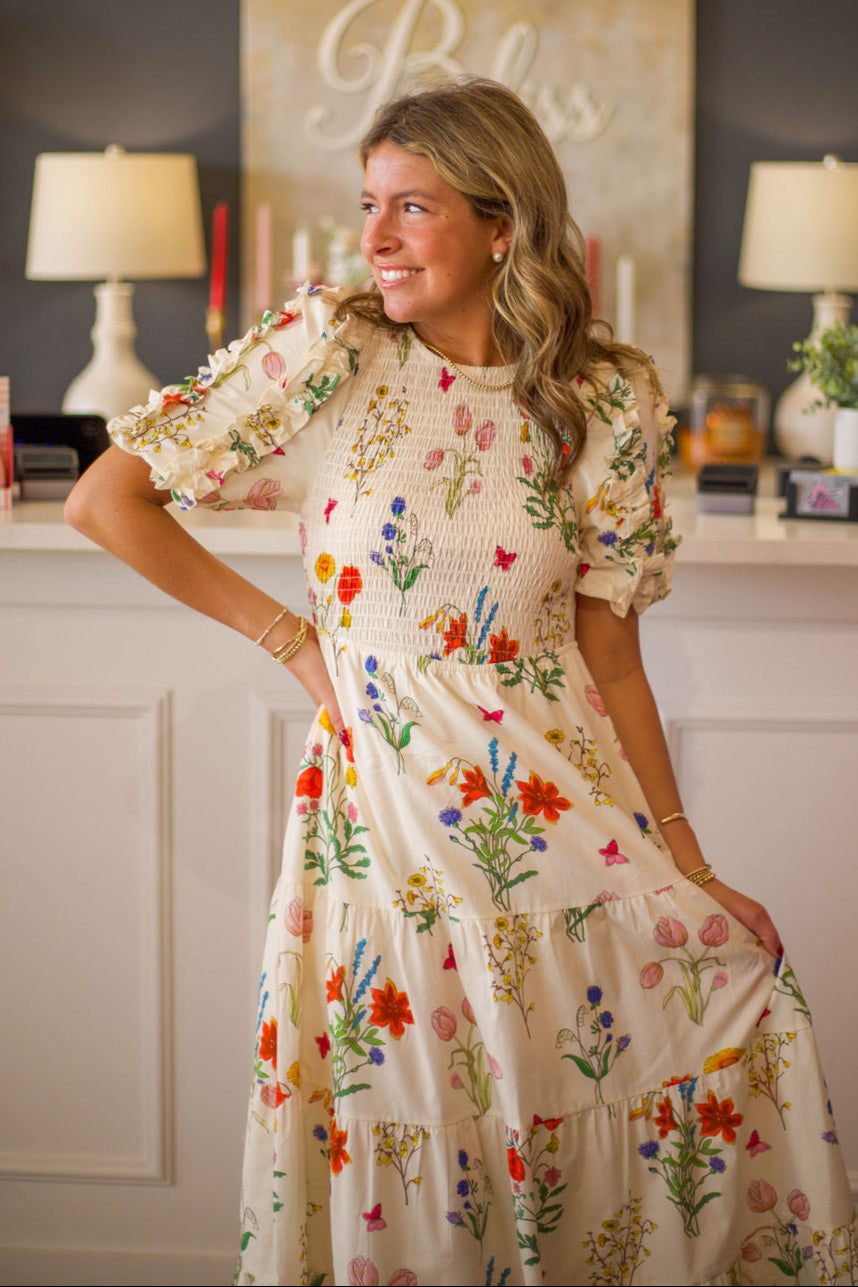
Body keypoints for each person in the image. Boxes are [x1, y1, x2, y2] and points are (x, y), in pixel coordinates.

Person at [66, 77, 855, 1287]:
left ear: (502, 225)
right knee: (415, 1120)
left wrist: (689, 865)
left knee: (593, 1086)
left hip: (558, 813)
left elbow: (611, 657)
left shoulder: (606, 393)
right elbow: (107, 499)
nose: (375, 238)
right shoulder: (329, 351)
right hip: (385, 827)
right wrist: (294, 643)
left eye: (413, 207)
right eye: (368, 205)